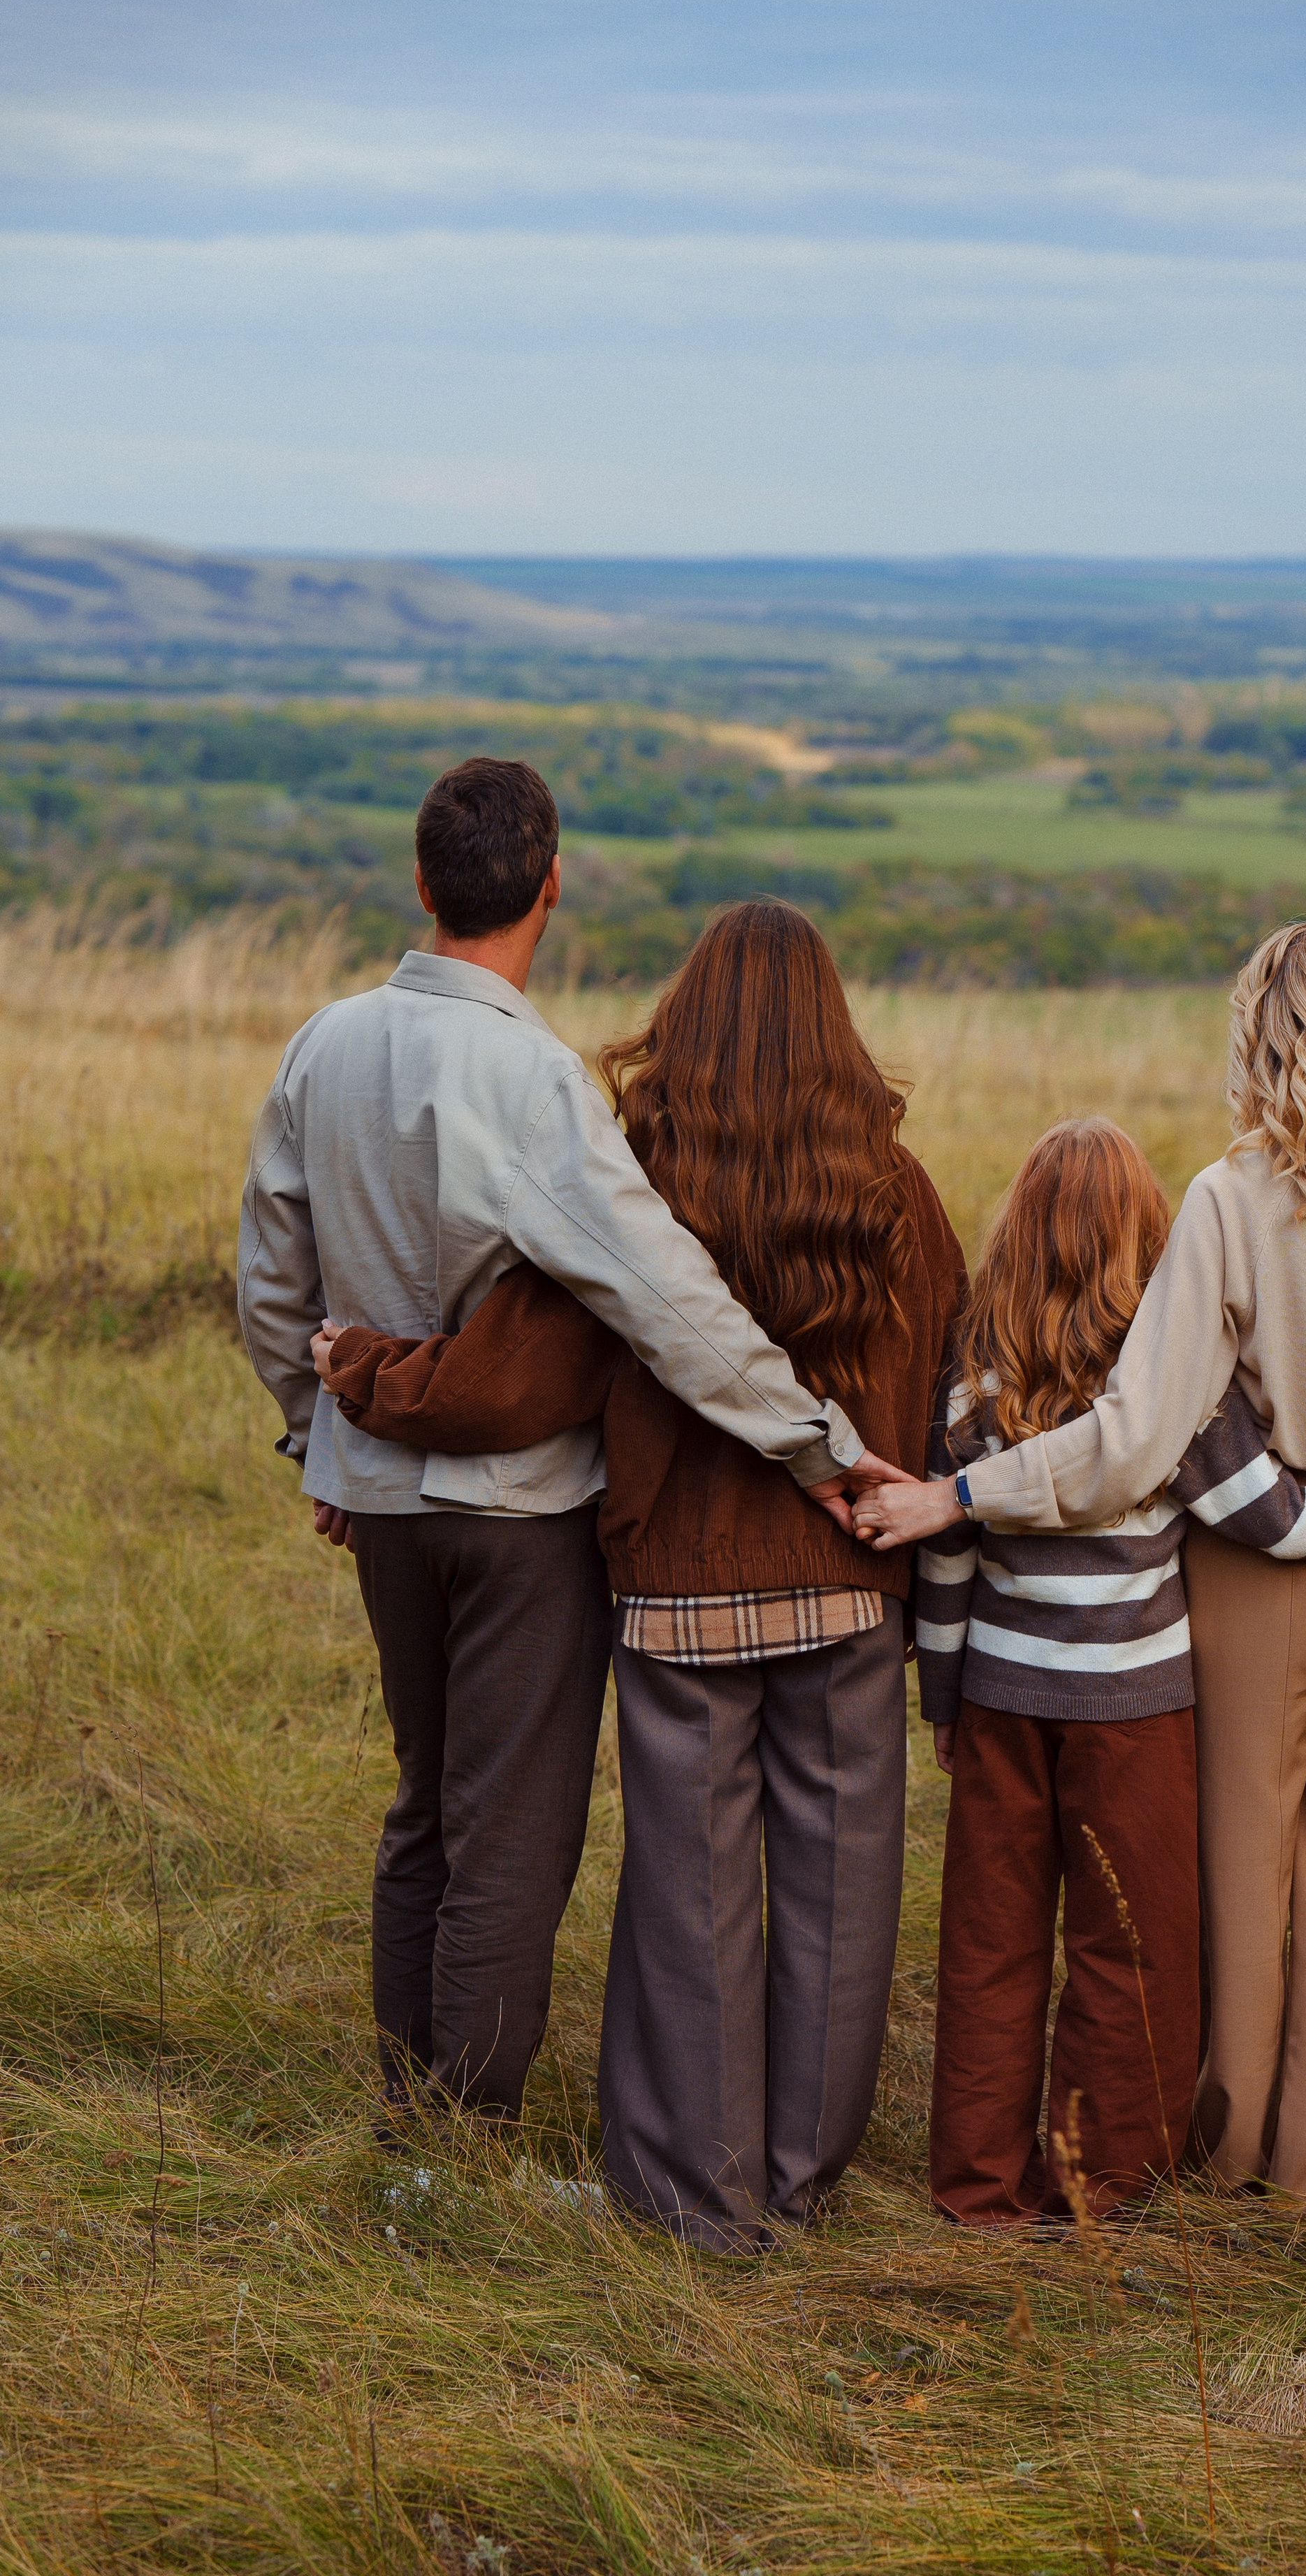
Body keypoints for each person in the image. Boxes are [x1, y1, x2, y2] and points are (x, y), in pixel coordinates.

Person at [309, 900, 966, 2252]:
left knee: (689, 1898)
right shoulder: (899, 1194)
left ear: (688, 1021)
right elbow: (946, 1382)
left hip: (678, 1597)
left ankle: (696, 2197)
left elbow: (516, 1376)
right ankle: (801, 2180)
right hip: (851, 1582)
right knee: (844, 1896)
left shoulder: (638, 1175)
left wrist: (361, 1377)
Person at [238, 767, 883, 2135]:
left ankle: (408, 2112)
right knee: (511, 1834)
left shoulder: (320, 1045)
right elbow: (664, 1298)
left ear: (420, 885)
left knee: (424, 1804)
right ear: (551, 884)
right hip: (521, 1512)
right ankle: (459, 2141)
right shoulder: (530, 1077)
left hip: (379, 1502)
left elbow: (268, 1287)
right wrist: (818, 1446)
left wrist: (317, 1444)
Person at [857, 922, 1306, 2203]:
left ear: (1266, 1037)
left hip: (1256, 1574)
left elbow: (1131, 1445)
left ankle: (1218, 2147)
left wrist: (964, 1493)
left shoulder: (1231, 1200)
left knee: (1237, 1868)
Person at [912, 1118, 1306, 2227]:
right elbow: (1279, 1522)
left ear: (1015, 1234)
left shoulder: (971, 1380)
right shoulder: (1176, 1397)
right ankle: (1099, 2189)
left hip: (1003, 1704)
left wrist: (945, 1702)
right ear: (1148, 1247)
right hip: (1136, 1717)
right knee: (1134, 1953)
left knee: (988, 1949)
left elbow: (947, 1566)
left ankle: (976, 2192)